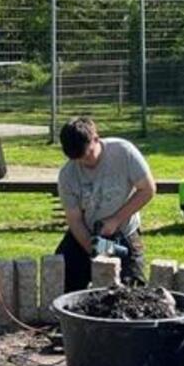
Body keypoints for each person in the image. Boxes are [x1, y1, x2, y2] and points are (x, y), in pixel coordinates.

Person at [55, 117, 156, 292]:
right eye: (77, 159)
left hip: (124, 231)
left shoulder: (123, 152)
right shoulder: (67, 175)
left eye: (87, 155)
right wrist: (93, 249)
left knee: (134, 291)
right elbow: (74, 220)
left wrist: (115, 220)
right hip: (85, 232)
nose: (83, 163)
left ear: (96, 138)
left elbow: (148, 189)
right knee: (61, 279)